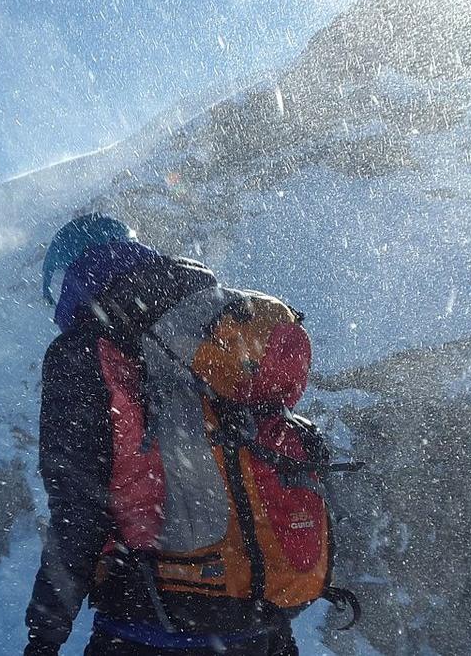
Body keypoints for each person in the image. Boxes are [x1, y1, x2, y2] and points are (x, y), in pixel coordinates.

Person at [25, 214, 300, 656]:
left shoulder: (83, 352)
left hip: (151, 622)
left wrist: (44, 635)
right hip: (259, 621)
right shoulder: (214, 319)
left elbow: (79, 513)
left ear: (71, 276)